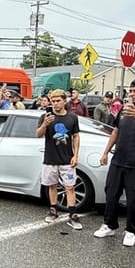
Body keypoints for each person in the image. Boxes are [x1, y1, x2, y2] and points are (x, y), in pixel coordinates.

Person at [93, 78, 135, 247]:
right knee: (111, 194)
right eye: (130, 91)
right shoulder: (124, 109)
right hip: (118, 160)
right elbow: (116, 131)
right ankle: (109, 225)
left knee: (133, 199)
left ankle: (131, 230)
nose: (132, 94)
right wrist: (106, 152)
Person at [36, 88, 81, 229]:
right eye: (53, 101)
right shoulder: (45, 116)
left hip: (67, 159)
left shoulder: (72, 117)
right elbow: (38, 134)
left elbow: (76, 136)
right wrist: (45, 124)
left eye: (58, 101)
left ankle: (72, 215)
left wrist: (76, 155)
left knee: (70, 187)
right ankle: (53, 210)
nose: (55, 103)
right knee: (52, 185)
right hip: (50, 158)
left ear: (64, 101)